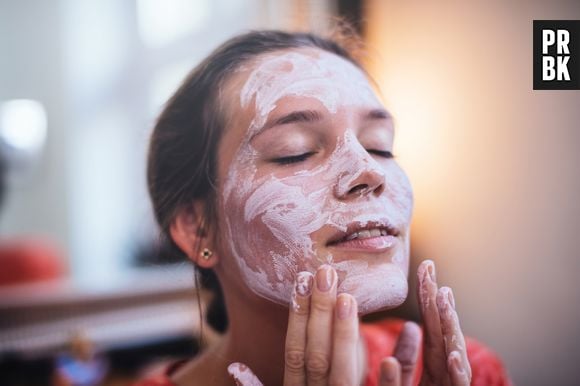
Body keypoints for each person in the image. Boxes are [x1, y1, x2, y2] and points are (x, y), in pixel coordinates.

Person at [138, 29, 512, 386]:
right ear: (197, 226)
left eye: (379, 146)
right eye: (294, 152)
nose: (368, 170)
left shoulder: (469, 371)